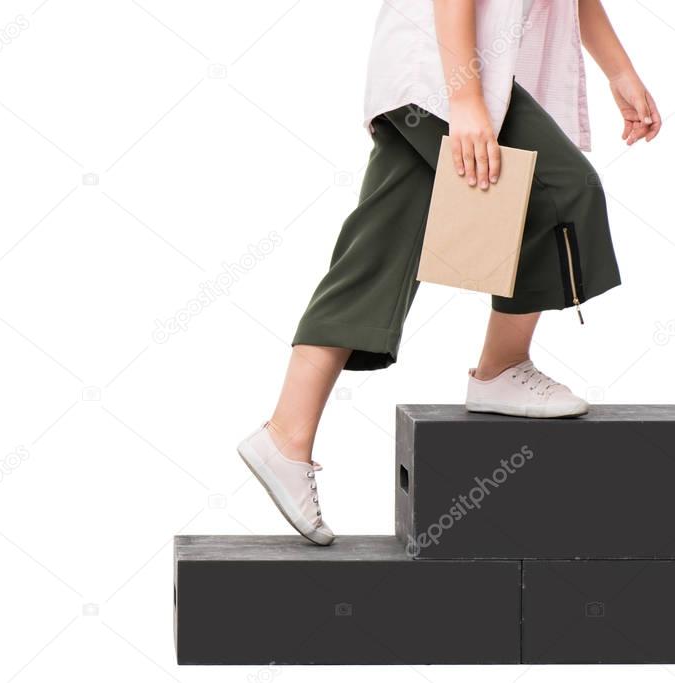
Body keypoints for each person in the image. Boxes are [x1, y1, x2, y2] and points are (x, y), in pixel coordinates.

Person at [237, 0, 662, 546]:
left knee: (380, 251)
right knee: (559, 191)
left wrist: (621, 72)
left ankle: (286, 437)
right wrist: (464, 100)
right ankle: (501, 368)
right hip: (440, 72)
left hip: (451, 76)